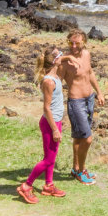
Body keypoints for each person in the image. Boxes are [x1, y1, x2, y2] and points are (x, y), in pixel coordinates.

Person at [16, 46, 68, 204]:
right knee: (48, 160)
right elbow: (46, 107)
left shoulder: (56, 76)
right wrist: (54, 129)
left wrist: (59, 121)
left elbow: (56, 103)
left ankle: (48, 185)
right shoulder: (48, 81)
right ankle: (26, 186)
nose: (62, 55)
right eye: (59, 55)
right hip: (49, 124)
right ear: (54, 60)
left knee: (51, 158)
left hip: (55, 121)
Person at [60, 29, 102, 184]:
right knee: (87, 139)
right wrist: (67, 57)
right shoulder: (65, 61)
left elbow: (89, 72)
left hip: (89, 99)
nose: (74, 46)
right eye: (70, 42)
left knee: (78, 138)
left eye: (77, 43)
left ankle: (75, 168)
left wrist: (99, 92)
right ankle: (81, 171)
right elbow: (51, 64)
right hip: (76, 102)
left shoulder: (87, 54)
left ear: (84, 43)